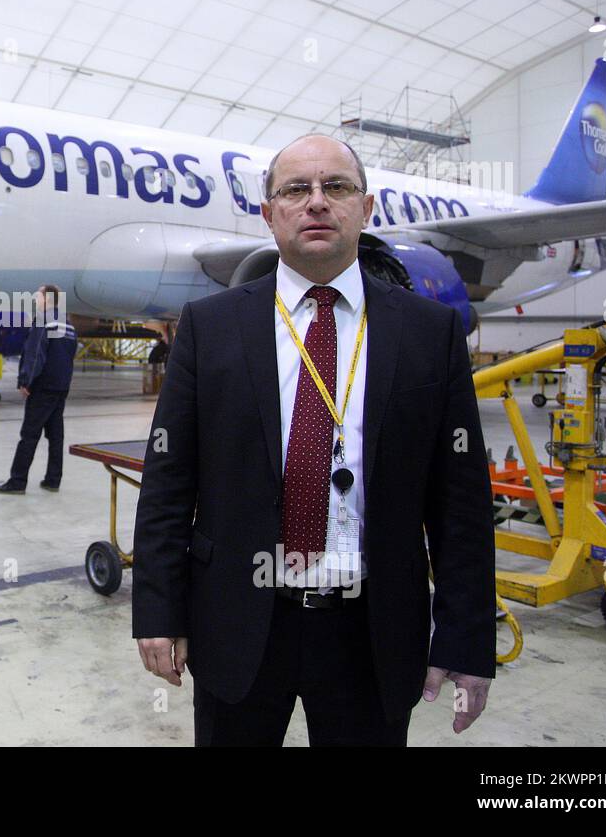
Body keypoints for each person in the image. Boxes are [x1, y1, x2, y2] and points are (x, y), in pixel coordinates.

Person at [132, 133, 495, 746]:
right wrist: (160, 612)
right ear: (269, 213)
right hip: (240, 622)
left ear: (367, 207)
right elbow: (169, 484)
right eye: (296, 189)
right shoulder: (209, 327)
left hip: (373, 632)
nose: (317, 202)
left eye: (337, 187)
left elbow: (460, 503)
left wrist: (465, 637)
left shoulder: (429, 334)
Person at [0, 284, 78, 494]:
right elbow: (69, 357)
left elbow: (34, 355)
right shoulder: (69, 327)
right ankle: (53, 480)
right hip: (61, 388)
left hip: (42, 388)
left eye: (37, 297)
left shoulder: (42, 322)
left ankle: (17, 481)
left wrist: (25, 382)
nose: (35, 300)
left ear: (47, 299)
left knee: (29, 435)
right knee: (56, 436)